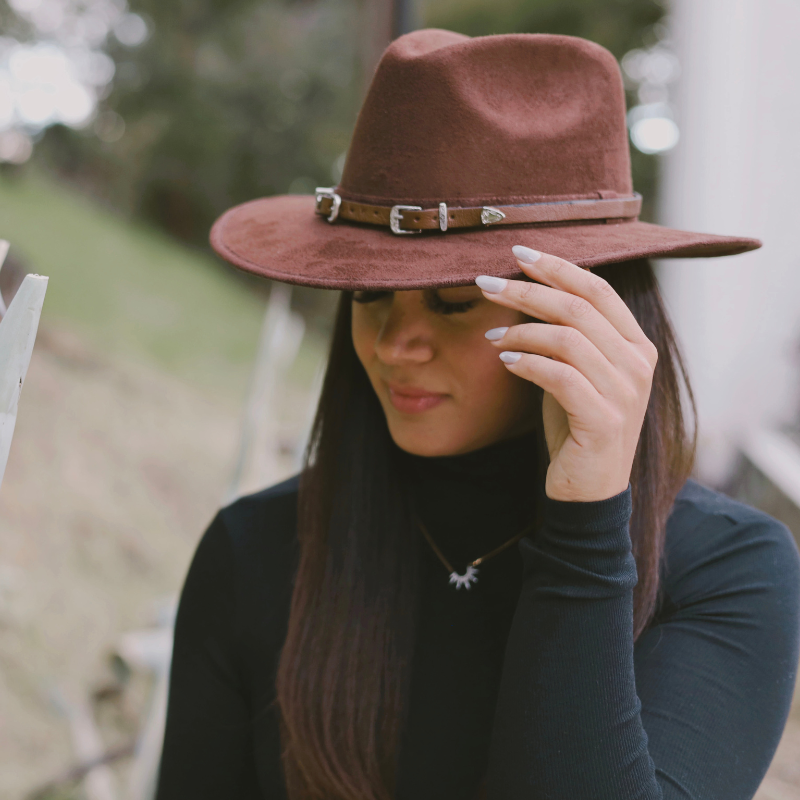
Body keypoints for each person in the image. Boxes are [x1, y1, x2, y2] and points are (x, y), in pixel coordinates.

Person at [154, 29, 800, 800]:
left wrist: (588, 523)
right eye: (366, 294)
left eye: (456, 300)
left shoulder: (724, 571)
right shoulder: (254, 552)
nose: (396, 346)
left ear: (592, 314)